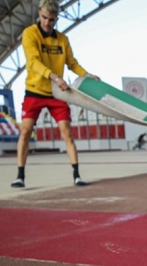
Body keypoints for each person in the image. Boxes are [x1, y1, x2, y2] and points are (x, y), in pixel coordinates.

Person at [11, 0, 99, 188]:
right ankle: (20, 176)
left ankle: (76, 175)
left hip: (57, 94)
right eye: (44, 18)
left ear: (56, 19)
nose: (47, 23)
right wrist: (55, 77)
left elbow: (72, 63)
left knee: (67, 133)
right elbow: (33, 61)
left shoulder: (62, 40)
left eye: (51, 20)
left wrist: (87, 75)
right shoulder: (29, 34)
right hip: (35, 91)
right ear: (39, 13)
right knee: (25, 131)